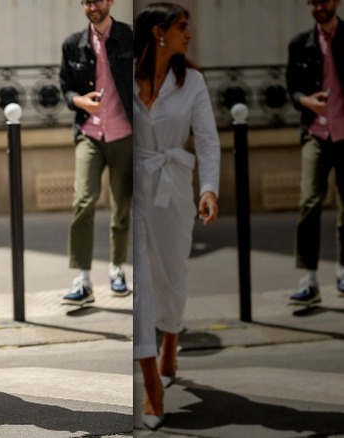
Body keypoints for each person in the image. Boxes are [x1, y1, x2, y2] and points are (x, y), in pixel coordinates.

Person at [132, 2, 220, 430]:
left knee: (173, 272)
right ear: (158, 33)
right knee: (142, 282)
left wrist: (208, 189)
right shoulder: (126, 75)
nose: (190, 33)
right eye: (183, 27)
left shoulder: (193, 82)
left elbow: (206, 139)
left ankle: (171, 337)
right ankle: (152, 386)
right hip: (134, 187)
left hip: (174, 189)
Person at [59, 0, 133, 304]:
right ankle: (84, 279)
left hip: (125, 134)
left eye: (98, 0)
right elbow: (65, 86)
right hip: (89, 133)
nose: (93, 6)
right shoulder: (73, 44)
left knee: (121, 206)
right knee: (83, 202)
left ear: (110, 2)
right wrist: (80, 102)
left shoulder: (130, 37)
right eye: (87, 1)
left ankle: (117, 269)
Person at [286, 0, 344, 304]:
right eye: (313, 2)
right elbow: (292, 89)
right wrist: (308, 101)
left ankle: (343, 271)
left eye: (324, 0)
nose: (319, 6)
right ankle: (309, 278)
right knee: (309, 201)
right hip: (316, 132)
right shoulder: (300, 44)